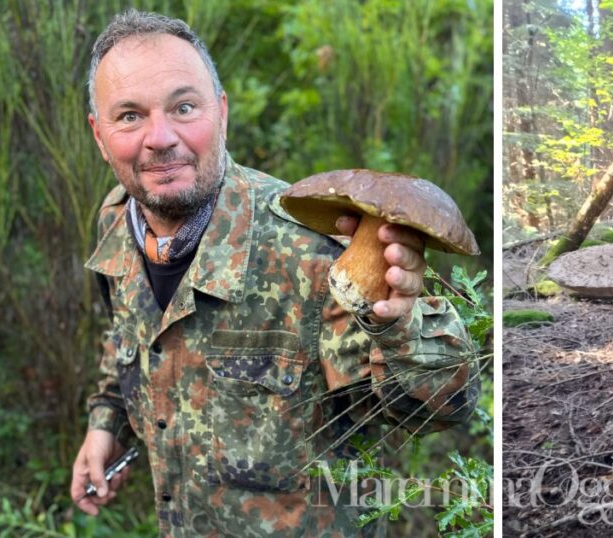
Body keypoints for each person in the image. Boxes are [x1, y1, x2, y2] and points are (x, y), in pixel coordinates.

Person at [69, 10, 479, 536]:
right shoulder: (114, 218)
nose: (160, 137)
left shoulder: (313, 255)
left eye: (184, 106)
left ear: (221, 112)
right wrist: (105, 425)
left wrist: (400, 327)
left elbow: (439, 411)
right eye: (129, 116)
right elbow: (130, 335)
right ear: (100, 135)